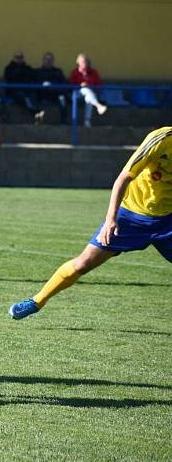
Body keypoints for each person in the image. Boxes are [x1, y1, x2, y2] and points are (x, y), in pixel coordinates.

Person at [10, 126, 172, 320]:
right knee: (83, 263)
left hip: (168, 221)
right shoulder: (161, 139)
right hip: (130, 216)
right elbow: (124, 178)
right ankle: (37, 301)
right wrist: (110, 219)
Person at [69, 53, 107, 128]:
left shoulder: (93, 73)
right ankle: (98, 106)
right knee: (86, 90)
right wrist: (80, 86)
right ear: (78, 63)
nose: (85, 64)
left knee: (88, 98)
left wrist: (90, 87)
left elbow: (99, 85)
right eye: (83, 62)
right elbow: (70, 86)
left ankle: (87, 121)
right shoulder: (74, 73)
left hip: (91, 94)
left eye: (86, 62)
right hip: (77, 94)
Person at [3, 51, 41, 123]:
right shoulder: (9, 68)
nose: (19, 59)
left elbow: (32, 77)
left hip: (27, 90)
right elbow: (10, 78)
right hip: (14, 91)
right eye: (17, 57)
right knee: (20, 95)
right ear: (14, 58)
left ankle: (35, 110)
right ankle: (33, 111)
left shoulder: (27, 68)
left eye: (21, 57)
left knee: (34, 94)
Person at [34, 51, 69, 124]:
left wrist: (52, 85)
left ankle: (64, 120)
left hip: (55, 94)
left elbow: (64, 84)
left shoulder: (58, 72)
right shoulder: (37, 72)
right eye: (46, 59)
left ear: (53, 61)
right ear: (43, 60)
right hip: (42, 95)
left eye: (50, 60)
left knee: (62, 98)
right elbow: (34, 84)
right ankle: (37, 118)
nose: (48, 61)